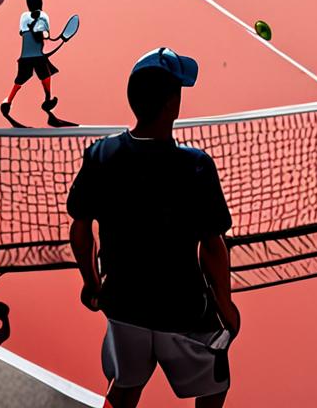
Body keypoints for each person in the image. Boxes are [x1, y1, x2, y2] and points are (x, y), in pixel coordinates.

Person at [67, 48, 240, 407]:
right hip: (184, 311)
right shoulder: (196, 167)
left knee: (126, 387)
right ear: (171, 105)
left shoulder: (100, 155)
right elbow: (212, 246)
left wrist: (92, 283)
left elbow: (81, 232)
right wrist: (225, 304)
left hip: (122, 304)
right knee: (213, 389)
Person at [1, 0, 57, 119]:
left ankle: (8, 102)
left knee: (21, 79)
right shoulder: (43, 16)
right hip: (38, 54)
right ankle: (47, 99)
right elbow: (44, 35)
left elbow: (23, 32)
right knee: (45, 76)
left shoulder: (24, 16)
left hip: (25, 55)